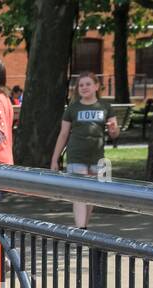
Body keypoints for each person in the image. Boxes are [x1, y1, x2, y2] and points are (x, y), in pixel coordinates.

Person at [50, 71, 120, 228]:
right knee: (79, 192)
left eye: (88, 84)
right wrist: (55, 159)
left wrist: (114, 128)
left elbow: (115, 133)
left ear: (96, 86)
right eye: (81, 85)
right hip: (76, 155)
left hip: (97, 157)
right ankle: (81, 228)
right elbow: (63, 134)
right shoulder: (73, 108)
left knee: (92, 195)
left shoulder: (105, 107)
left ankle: (84, 229)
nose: (84, 87)